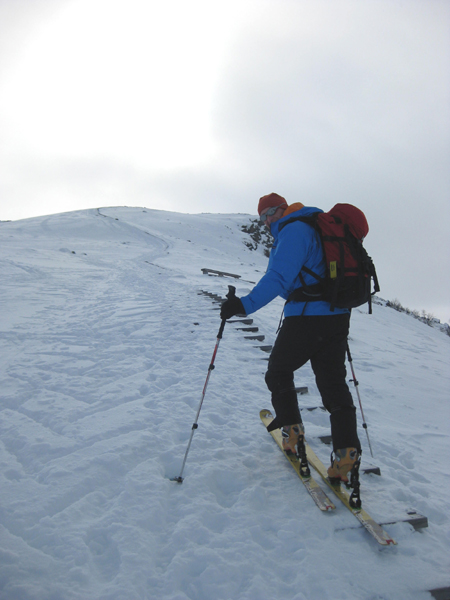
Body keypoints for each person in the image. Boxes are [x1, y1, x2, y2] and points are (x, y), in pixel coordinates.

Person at [220, 192, 361, 482]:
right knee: (333, 382)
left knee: (278, 372)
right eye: (263, 215)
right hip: (337, 317)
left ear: (284, 209)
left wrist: (243, 305)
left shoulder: (294, 229)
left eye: (271, 212)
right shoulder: (313, 226)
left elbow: (278, 279)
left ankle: (293, 433)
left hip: (308, 317)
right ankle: (346, 454)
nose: (267, 219)